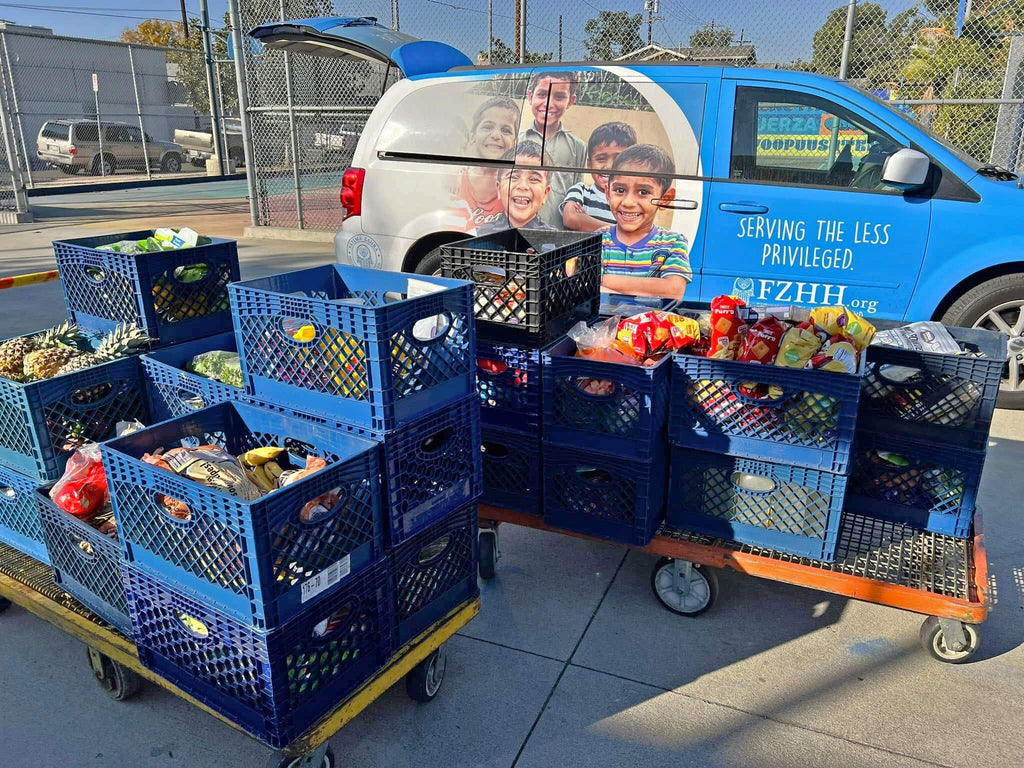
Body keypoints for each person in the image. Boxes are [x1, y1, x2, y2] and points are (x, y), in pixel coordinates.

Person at [600, 144, 690, 301]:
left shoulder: (673, 243)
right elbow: (585, 290)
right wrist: (651, 288)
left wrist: (604, 279)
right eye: (620, 190)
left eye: (643, 192)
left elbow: (674, 290)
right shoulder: (597, 240)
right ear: (608, 193)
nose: (628, 202)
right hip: (601, 325)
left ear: (665, 199)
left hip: (655, 326)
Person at [519, 72, 587, 227]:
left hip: (559, 234)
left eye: (559, 97)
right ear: (530, 97)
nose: (548, 103)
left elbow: (576, 197)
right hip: (520, 230)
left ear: (571, 101)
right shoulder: (516, 141)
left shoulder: (578, 147)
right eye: (542, 94)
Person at [560, 121, 638, 231]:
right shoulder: (581, 191)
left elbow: (636, 232)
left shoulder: (631, 199)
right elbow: (571, 219)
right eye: (601, 159)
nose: (609, 167)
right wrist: (621, 230)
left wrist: (585, 220)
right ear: (589, 165)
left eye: (618, 159)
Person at [458, 97, 520, 230]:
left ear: (515, 142)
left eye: (506, 130)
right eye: (487, 127)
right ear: (473, 135)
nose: (496, 135)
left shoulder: (518, 189)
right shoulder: (453, 180)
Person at [479, 140, 554, 234]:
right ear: (499, 188)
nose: (522, 186)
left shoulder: (556, 241)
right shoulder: (480, 235)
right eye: (513, 177)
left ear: (545, 194)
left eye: (534, 179)